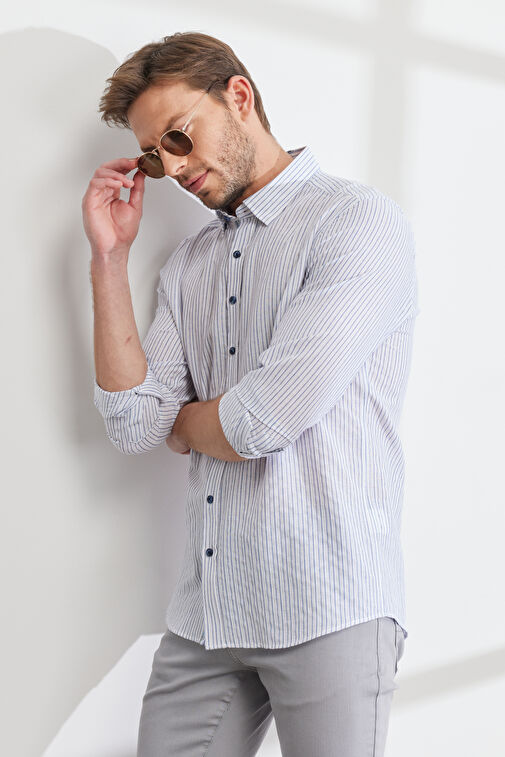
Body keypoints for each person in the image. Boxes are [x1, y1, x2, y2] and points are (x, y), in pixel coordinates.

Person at [82, 30, 419, 757]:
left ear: (239, 96)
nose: (173, 168)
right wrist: (109, 259)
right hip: (208, 615)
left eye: (179, 137)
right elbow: (136, 424)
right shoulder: (189, 265)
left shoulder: (355, 223)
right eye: (154, 156)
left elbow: (262, 421)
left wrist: (186, 423)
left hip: (329, 605)